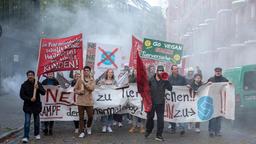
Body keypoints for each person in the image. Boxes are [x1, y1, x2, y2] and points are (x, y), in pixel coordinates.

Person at [145, 65, 172, 141]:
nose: (160, 72)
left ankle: (159, 135)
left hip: (160, 103)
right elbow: (146, 89)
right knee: (150, 118)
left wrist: (167, 80)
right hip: (152, 103)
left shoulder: (164, 80)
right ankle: (148, 130)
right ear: (156, 71)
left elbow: (170, 89)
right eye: (159, 71)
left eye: (162, 71)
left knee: (161, 120)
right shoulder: (151, 80)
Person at [20, 70, 46, 143]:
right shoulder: (24, 85)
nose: (30, 76)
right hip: (27, 106)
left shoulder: (37, 83)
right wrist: (30, 99)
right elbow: (22, 95)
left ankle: (37, 133)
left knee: (37, 122)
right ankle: (25, 136)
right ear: (27, 76)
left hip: (36, 106)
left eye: (31, 75)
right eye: (29, 75)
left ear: (34, 76)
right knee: (27, 122)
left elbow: (43, 92)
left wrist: (38, 88)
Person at [74, 66, 95, 138]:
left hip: (89, 101)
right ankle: (82, 131)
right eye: (85, 70)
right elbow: (75, 89)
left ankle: (88, 126)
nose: (86, 71)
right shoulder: (79, 80)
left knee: (90, 116)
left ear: (90, 71)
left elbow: (91, 89)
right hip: (81, 101)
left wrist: (84, 84)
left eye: (87, 70)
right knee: (81, 117)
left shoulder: (92, 80)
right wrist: (79, 91)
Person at [207, 67, 229, 137]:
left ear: (221, 72)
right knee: (212, 116)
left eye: (219, 71)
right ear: (214, 72)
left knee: (219, 116)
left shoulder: (224, 79)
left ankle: (218, 131)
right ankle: (211, 130)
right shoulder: (211, 79)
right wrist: (208, 84)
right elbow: (205, 87)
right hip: (212, 100)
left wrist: (230, 84)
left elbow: (228, 88)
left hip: (220, 101)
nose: (218, 72)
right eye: (217, 71)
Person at [168, 64, 188, 135]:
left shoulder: (182, 78)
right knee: (172, 114)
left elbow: (186, 85)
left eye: (177, 69)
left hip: (180, 100)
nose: (177, 70)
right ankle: (173, 128)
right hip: (171, 99)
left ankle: (182, 128)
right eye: (175, 69)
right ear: (172, 70)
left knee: (180, 113)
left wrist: (187, 86)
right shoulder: (168, 78)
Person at [98, 68, 116, 133]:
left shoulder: (114, 81)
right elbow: (98, 87)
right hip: (104, 100)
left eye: (112, 72)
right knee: (104, 113)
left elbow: (117, 89)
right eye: (109, 72)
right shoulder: (102, 81)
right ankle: (104, 126)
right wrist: (101, 87)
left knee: (111, 113)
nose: (110, 73)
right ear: (107, 73)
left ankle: (109, 126)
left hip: (112, 100)